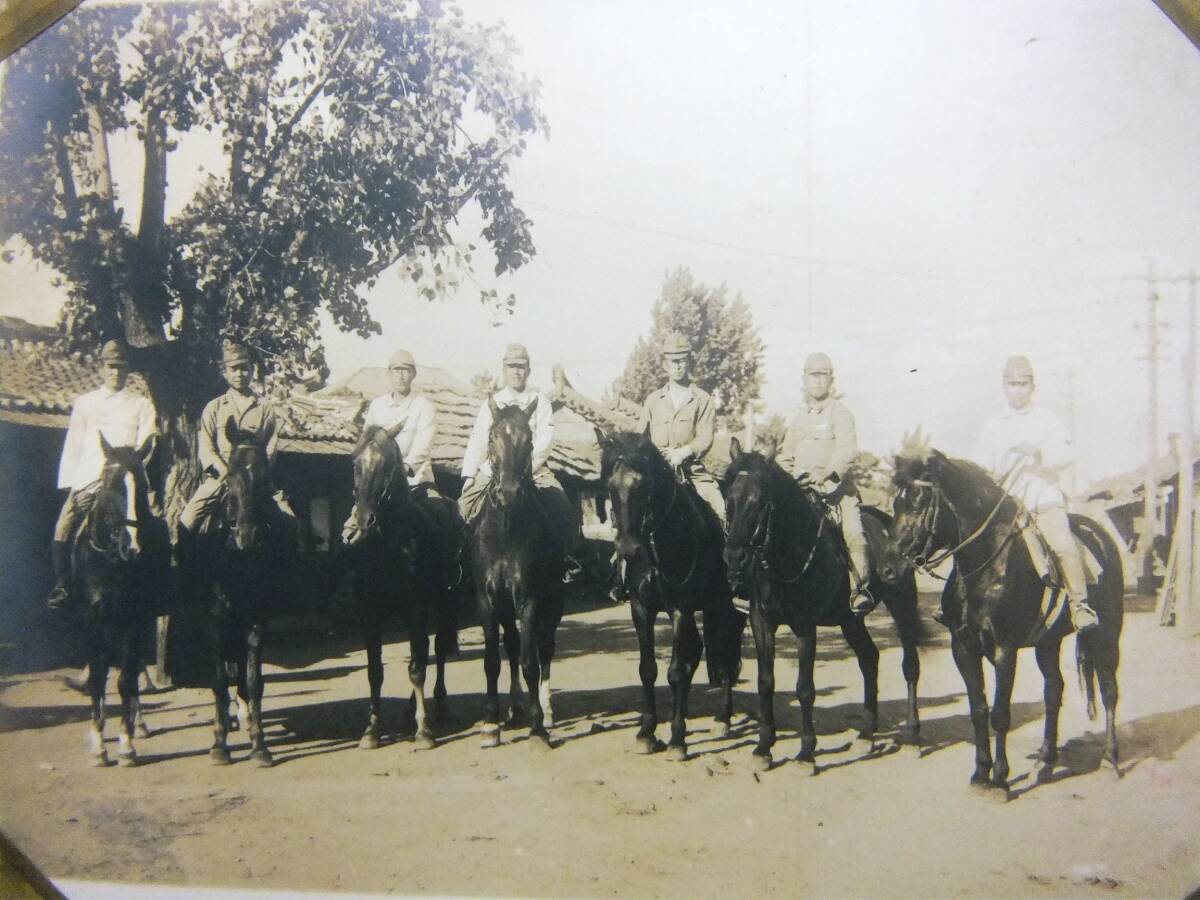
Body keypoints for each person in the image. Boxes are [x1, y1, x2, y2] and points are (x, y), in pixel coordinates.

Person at [973, 355, 1098, 633]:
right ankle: (957, 603)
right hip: (1006, 506)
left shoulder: (1046, 420)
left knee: (1063, 544)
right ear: (1004, 387)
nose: (1017, 389)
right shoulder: (993, 424)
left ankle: (1080, 605)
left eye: (1023, 384)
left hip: (1043, 500)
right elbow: (981, 465)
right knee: (973, 544)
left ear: (1032, 386)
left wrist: (1039, 452)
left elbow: (1068, 453)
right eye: (1012, 384)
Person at [47, 340, 157, 610]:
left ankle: (158, 588)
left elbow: (148, 443)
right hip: (90, 480)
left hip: (128, 480)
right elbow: (74, 444)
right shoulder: (86, 403)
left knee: (155, 528)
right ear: (102, 368)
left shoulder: (141, 404)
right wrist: (72, 487)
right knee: (64, 525)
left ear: (128, 369)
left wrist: (134, 470)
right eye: (111, 367)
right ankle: (63, 586)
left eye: (121, 367)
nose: (116, 372)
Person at [778, 352, 872, 614]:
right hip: (803, 493)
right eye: (812, 376)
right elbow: (786, 456)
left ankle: (860, 589)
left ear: (831, 379)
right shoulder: (798, 418)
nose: (817, 381)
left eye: (822, 375)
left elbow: (848, 450)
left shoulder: (840, 414)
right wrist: (790, 475)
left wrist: (827, 474)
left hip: (836, 494)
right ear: (804, 379)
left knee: (853, 534)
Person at [178, 341, 295, 538]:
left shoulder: (264, 407)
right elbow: (206, 448)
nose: (239, 374)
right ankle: (182, 564)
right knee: (187, 520)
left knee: (290, 522)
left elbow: (270, 445)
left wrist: (256, 474)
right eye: (233, 369)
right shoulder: (214, 407)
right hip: (222, 478)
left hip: (256, 479)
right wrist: (227, 473)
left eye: (244, 368)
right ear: (224, 372)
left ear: (252, 371)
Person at [458, 342, 571, 528]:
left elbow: (546, 438)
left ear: (528, 371)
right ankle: (461, 556)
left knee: (560, 503)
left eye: (521, 367)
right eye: (511, 367)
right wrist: (470, 475)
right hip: (494, 470)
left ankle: (564, 554)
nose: (516, 372)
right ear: (504, 370)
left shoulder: (539, 401)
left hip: (533, 470)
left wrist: (525, 467)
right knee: (462, 508)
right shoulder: (493, 402)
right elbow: (479, 438)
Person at [342, 348, 438, 543]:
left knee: (438, 522)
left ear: (413, 374)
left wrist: (405, 468)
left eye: (406, 370)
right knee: (350, 535)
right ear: (389, 373)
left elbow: (423, 445)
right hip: (378, 487)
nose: (401, 375)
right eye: (396, 370)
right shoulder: (377, 405)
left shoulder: (424, 406)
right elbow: (366, 442)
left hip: (415, 484)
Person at [639, 332, 725, 525]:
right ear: (664, 365)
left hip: (691, 472)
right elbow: (640, 438)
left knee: (719, 509)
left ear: (689, 362)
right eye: (672, 360)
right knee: (629, 514)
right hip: (655, 473)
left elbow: (705, 438)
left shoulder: (702, 399)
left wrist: (682, 453)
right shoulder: (652, 401)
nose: (677, 365)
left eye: (682, 360)